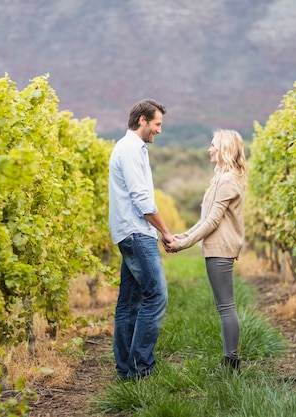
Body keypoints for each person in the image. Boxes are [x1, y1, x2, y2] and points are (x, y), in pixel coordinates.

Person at [165, 129, 247, 370]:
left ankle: (231, 362)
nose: (209, 149)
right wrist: (185, 235)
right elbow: (206, 219)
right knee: (224, 306)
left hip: (220, 249)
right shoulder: (223, 178)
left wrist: (182, 245)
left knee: (226, 306)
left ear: (224, 149)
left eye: (213, 145)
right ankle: (230, 359)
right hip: (217, 249)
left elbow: (212, 222)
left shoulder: (227, 180)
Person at [108, 98, 174, 379]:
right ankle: (141, 368)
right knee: (156, 296)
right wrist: (165, 231)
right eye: (157, 124)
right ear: (143, 120)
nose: (159, 130)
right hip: (137, 233)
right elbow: (142, 199)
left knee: (129, 303)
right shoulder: (132, 149)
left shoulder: (127, 147)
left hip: (127, 232)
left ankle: (125, 370)